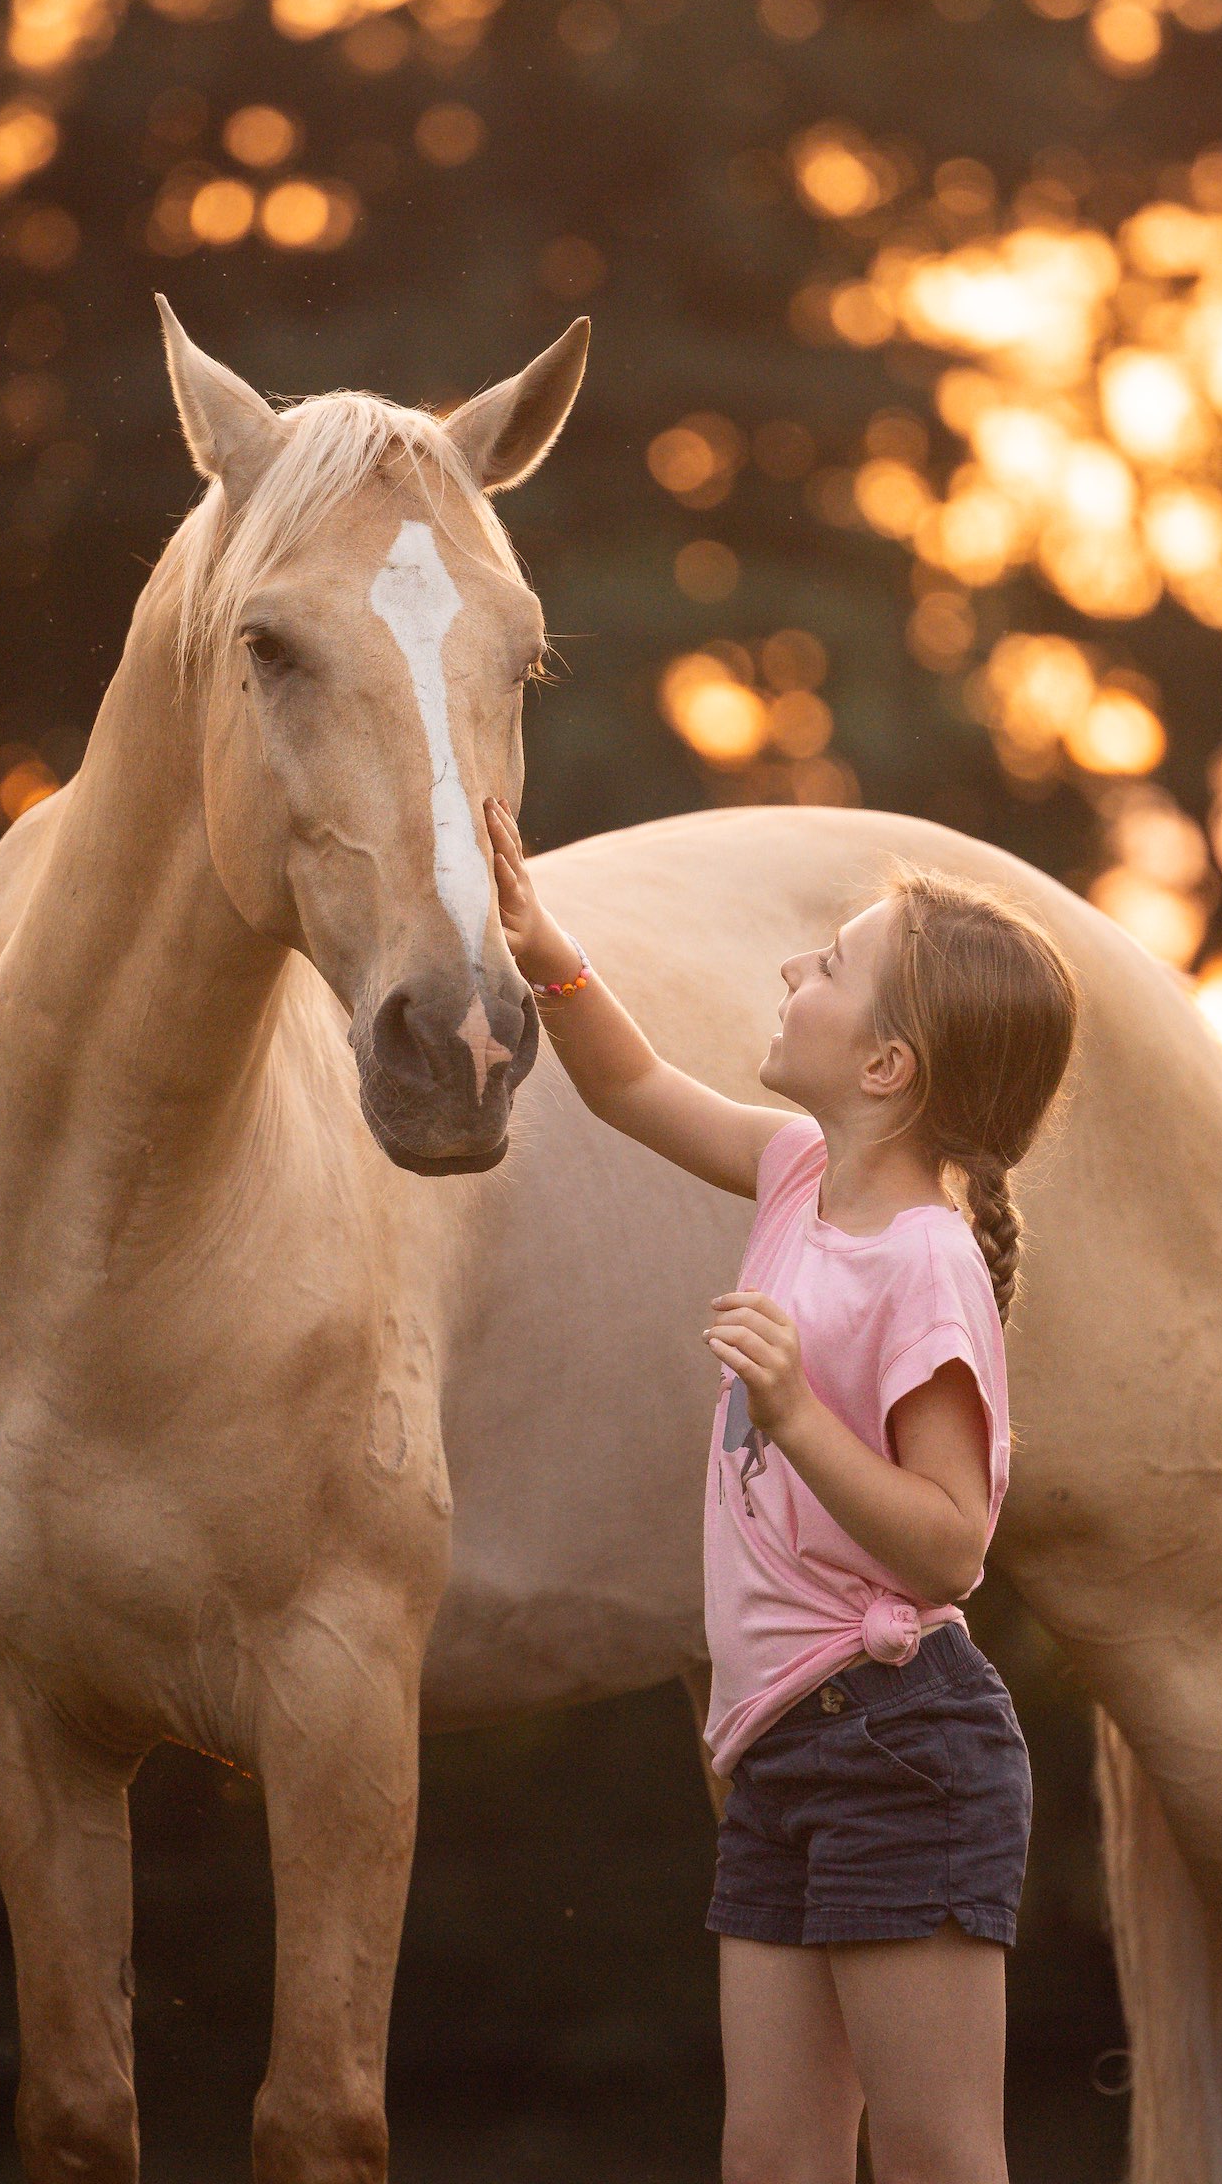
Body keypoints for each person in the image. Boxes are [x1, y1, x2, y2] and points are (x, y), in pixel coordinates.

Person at [485, 799, 1080, 2184]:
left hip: (897, 1746)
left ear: (885, 1061)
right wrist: (543, 948)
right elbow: (629, 1088)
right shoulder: (799, 1175)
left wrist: (797, 1412)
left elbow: (945, 1550)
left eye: (823, 967)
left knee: (937, 2158)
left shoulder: (923, 1264)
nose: (785, 975)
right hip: (774, 1745)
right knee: (772, 2161)